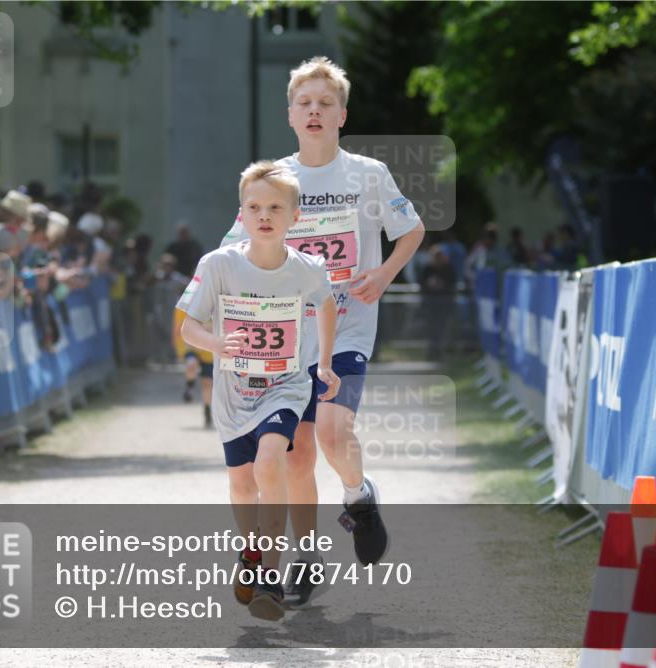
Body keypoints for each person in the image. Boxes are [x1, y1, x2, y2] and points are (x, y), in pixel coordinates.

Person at [219, 56, 425, 606]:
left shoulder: (368, 174)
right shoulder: (276, 179)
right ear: (290, 115)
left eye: (325, 103)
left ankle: (359, 498)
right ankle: (307, 556)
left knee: (334, 435)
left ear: (342, 115)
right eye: (304, 103)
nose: (314, 110)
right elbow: (232, 246)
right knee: (298, 455)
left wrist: (382, 275)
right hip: (290, 338)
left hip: (348, 325)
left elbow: (411, 229)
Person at [178, 161, 340, 621]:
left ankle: (270, 576)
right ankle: (250, 551)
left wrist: (324, 363)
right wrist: (215, 342)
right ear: (242, 215)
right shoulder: (218, 265)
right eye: (254, 207)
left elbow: (326, 305)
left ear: (293, 217)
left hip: (286, 386)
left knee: (272, 461)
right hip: (233, 393)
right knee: (242, 482)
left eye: (274, 207)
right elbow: (189, 326)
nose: (264, 214)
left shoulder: (307, 268)